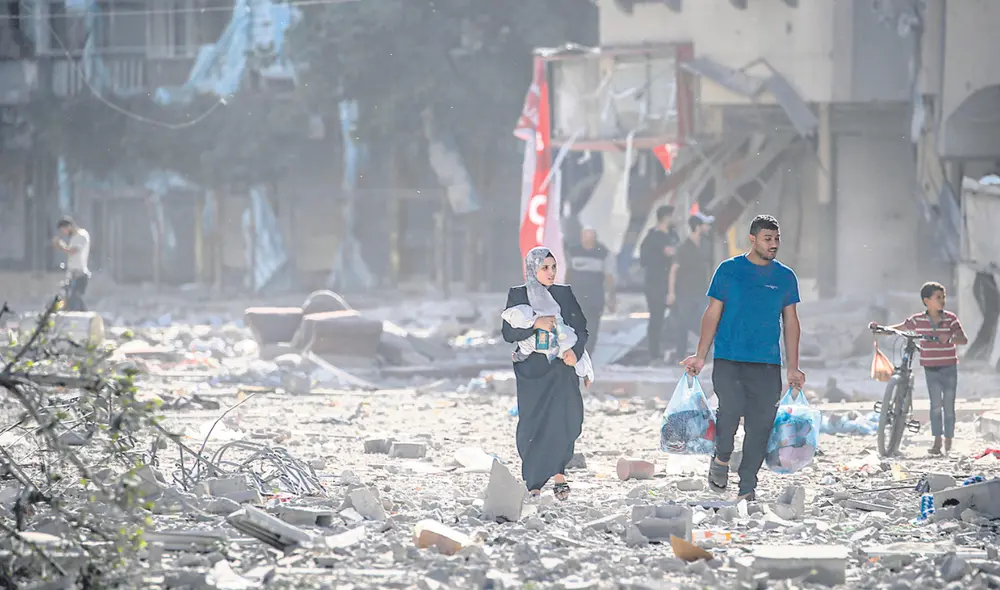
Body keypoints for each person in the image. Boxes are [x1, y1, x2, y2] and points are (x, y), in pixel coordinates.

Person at [681, 214, 804, 501]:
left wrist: (793, 367)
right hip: (729, 358)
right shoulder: (729, 270)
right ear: (752, 240)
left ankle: (747, 486)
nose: (773, 245)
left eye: (777, 239)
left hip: (767, 363)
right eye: (767, 239)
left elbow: (791, 323)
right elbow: (712, 313)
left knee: (760, 427)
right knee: (730, 413)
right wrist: (701, 356)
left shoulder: (785, 277)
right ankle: (722, 456)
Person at [502, 247, 588, 501]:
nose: (550, 273)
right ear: (532, 269)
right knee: (534, 423)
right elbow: (508, 334)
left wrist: (576, 351)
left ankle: (559, 469)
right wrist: (534, 324)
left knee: (568, 419)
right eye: (544, 268)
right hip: (533, 371)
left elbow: (582, 329)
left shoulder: (564, 293)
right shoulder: (519, 295)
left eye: (553, 267)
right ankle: (535, 481)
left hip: (561, 368)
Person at [871, 282, 968, 456]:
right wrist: (882, 329)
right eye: (938, 297)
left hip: (949, 367)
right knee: (936, 405)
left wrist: (950, 338)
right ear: (926, 301)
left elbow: (963, 339)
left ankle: (948, 441)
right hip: (930, 368)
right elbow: (900, 328)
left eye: (943, 297)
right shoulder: (918, 320)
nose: (942, 300)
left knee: (948, 405)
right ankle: (937, 442)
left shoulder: (951, 319)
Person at [667, 213, 715, 364]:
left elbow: (710, 267)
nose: (708, 228)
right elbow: (674, 270)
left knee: (704, 322)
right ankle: (680, 354)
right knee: (684, 323)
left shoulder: (707, 245)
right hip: (684, 292)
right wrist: (671, 292)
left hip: (702, 291)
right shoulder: (683, 248)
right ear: (697, 226)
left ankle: (704, 353)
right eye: (705, 225)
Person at [566, 227, 617, 355]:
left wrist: (612, 297)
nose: (586, 241)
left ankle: (587, 353)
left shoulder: (603, 253)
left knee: (592, 327)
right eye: (584, 237)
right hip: (576, 295)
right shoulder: (573, 251)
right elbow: (567, 273)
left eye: (589, 238)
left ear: (595, 238)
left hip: (595, 296)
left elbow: (609, 276)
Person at [640, 205, 680, 364]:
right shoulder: (653, 237)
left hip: (674, 283)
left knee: (679, 317)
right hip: (655, 284)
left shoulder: (673, 235)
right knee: (656, 318)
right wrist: (661, 254)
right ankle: (654, 353)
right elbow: (644, 260)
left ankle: (677, 351)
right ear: (666, 217)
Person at [52, 217, 91, 312]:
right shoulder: (74, 237)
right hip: (71, 274)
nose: (64, 233)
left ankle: (84, 316)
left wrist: (61, 245)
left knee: (76, 299)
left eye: (63, 230)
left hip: (79, 274)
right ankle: (57, 311)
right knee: (65, 298)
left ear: (69, 226)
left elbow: (72, 251)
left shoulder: (81, 235)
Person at [965, 270, 998, 362]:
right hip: (985, 281)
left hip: (986, 282)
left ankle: (980, 356)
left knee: (990, 326)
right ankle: (972, 356)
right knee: (989, 325)